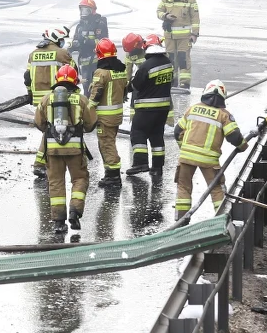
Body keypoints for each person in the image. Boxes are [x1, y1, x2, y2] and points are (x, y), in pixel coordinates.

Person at [173, 81, 261, 222]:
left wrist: (183, 148)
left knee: (183, 187)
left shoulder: (192, 109)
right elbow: (234, 136)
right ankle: (221, 221)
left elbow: (177, 132)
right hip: (209, 160)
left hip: (186, 157)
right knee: (216, 189)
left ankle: (180, 221)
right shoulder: (223, 115)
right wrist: (243, 146)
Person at [34, 64, 98, 231]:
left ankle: (58, 222)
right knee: (80, 179)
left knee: (55, 182)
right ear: (75, 81)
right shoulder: (82, 100)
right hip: (75, 149)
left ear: (57, 80)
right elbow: (91, 124)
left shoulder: (47, 99)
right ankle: (75, 212)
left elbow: (39, 123)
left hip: (53, 149)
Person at [24, 26, 73, 177]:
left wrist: (30, 94)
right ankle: (41, 163)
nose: (63, 42)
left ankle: (43, 162)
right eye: (62, 40)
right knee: (54, 130)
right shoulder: (62, 53)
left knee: (48, 130)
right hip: (56, 99)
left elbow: (27, 77)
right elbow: (72, 74)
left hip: (39, 100)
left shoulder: (33, 54)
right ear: (57, 39)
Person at [125, 35, 173, 176]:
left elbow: (136, 85)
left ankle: (140, 163)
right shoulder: (168, 63)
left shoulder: (146, 66)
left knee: (138, 133)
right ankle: (157, 167)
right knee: (157, 136)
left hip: (147, 108)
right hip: (163, 108)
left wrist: (127, 87)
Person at [88, 38, 128, 188]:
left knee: (106, 144)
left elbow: (96, 95)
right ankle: (111, 175)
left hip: (105, 117)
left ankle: (113, 177)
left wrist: (87, 110)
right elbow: (124, 92)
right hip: (116, 116)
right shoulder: (120, 70)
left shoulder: (101, 72)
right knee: (110, 142)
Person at [157, 0, 200, 89]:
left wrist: (194, 34)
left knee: (183, 59)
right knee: (170, 59)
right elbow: (158, 11)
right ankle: (172, 81)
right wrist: (165, 16)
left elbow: (195, 18)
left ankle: (184, 83)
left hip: (184, 37)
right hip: (169, 36)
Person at [69, 0, 110, 92]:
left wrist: (88, 41)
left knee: (96, 86)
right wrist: (73, 46)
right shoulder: (79, 26)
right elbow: (75, 40)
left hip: (96, 62)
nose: (83, 12)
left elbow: (103, 42)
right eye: (82, 9)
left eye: (86, 10)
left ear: (92, 10)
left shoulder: (100, 24)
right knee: (86, 88)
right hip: (84, 62)